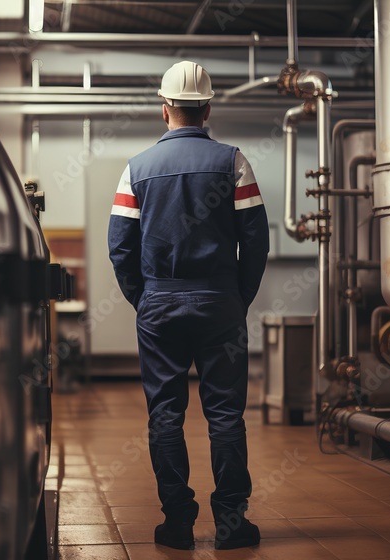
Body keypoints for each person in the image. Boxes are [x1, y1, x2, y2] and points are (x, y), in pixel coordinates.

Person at [108, 60, 270, 551]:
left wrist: (146, 298)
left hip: (159, 302)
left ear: (165, 109)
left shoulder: (135, 169)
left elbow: (120, 247)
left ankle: (177, 523)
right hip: (220, 301)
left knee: (165, 415)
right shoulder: (234, 161)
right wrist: (237, 297)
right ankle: (230, 524)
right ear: (207, 108)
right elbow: (256, 241)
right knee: (225, 415)